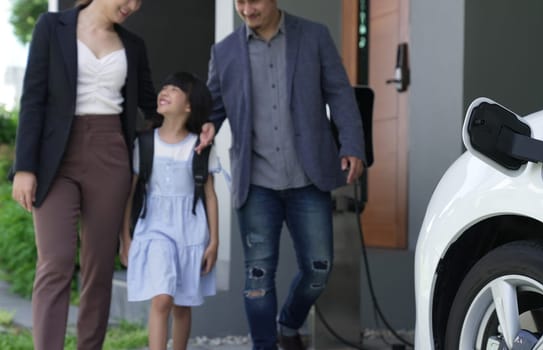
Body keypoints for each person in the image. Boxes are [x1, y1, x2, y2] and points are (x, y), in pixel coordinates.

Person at [9, 1, 212, 348]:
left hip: (111, 155)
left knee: (98, 268)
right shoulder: (50, 27)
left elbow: (151, 104)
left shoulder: (133, 45)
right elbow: (33, 99)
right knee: (54, 262)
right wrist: (24, 167)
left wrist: (201, 122)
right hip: (55, 158)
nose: (132, 6)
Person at [206, 1, 366, 349]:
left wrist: (352, 144)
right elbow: (213, 109)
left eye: (254, 1)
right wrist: (201, 129)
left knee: (319, 269)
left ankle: (289, 323)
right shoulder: (224, 52)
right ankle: (265, 345)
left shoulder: (314, 37)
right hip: (256, 182)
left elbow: (339, 93)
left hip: (307, 178)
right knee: (258, 277)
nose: (247, 9)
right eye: (239, 2)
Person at [119, 72, 220, 350]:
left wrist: (214, 242)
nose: (164, 91)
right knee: (162, 298)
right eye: (165, 87)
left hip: (190, 230)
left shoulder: (200, 147)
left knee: (182, 304)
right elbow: (130, 193)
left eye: (174, 90)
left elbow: (210, 196)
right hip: (154, 228)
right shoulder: (145, 143)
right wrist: (125, 238)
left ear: (189, 106)